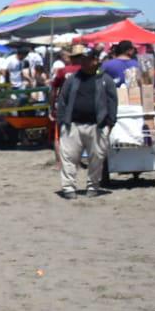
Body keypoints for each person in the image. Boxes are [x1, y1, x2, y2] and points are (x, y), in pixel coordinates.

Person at [54, 44, 116, 199]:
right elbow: (62, 100)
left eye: (87, 59)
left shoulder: (105, 80)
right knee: (69, 157)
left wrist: (110, 122)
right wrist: (62, 121)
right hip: (72, 125)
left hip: (98, 125)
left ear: (95, 61)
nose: (84, 62)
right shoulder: (72, 79)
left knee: (97, 158)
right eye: (82, 59)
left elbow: (112, 102)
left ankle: (93, 186)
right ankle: (68, 188)